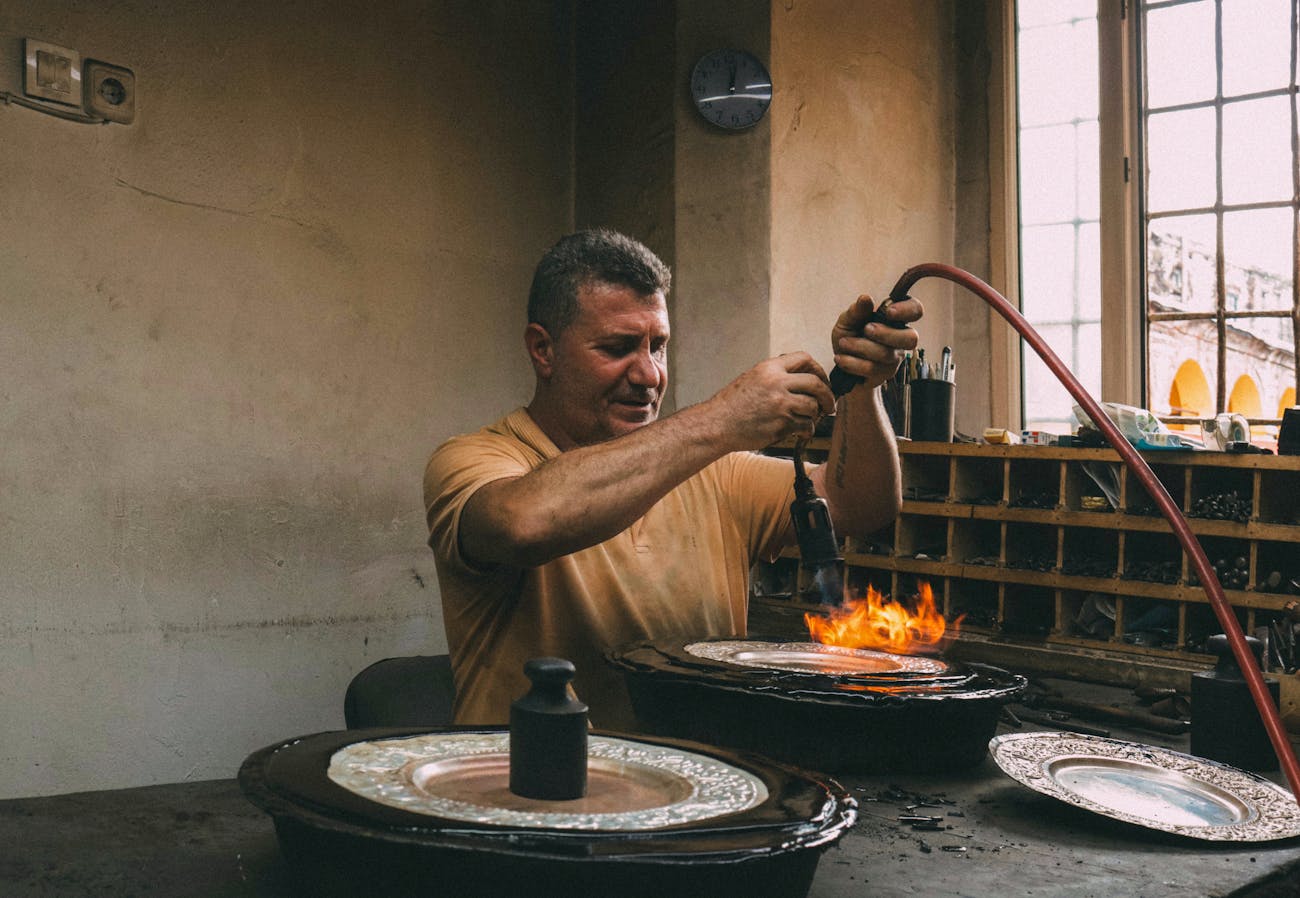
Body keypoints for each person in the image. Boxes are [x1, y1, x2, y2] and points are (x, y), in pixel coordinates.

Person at [424, 228, 921, 729]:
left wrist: (862, 387)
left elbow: (861, 504)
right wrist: (725, 418)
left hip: (699, 788)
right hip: (541, 794)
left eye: (657, 346)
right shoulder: (477, 459)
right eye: (618, 348)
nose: (649, 375)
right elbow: (521, 524)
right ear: (543, 350)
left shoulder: (712, 471)